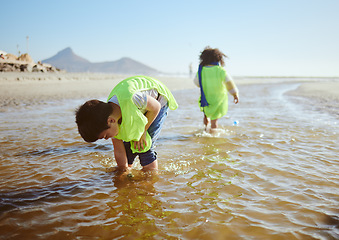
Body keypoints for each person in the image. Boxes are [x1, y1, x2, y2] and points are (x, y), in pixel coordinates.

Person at [75, 75, 178, 172]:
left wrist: (143, 130)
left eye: (105, 136)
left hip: (158, 101)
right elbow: (119, 150)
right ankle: (129, 167)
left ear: (111, 121)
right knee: (129, 141)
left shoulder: (133, 99)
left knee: (144, 145)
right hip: (139, 107)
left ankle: (151, 175)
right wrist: (123, 170)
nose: (107, 139)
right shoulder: (107, 118)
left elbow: (156, 107)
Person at [193, 46, 239, 132]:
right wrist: (235, 94)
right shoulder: (220, 71)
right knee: (214, 121)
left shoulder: (201, 70)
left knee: (206, 116)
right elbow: (229, 84)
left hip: (205, 98)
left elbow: (196, 82)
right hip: (218, 99)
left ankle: (205, 129)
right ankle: (213, 135)